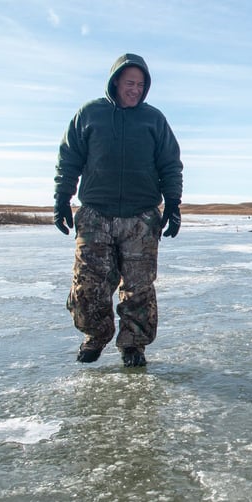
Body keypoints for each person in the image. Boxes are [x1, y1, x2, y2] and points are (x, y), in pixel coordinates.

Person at [53, 53, 183, 367]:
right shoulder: (90, 114)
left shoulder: (154, 119)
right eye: (130, 83)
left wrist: (174, 204)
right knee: (89, 287)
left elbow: (170, 165)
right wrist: (61, 199)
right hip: (95, 214)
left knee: (138, 289)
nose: (135, 89)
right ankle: (95, 335)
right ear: (115, 82)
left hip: (141, 217)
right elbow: (69, 159)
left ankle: (133, 345)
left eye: (140, 84)